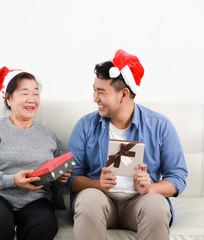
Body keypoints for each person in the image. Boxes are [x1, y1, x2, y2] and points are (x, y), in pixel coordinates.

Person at [66, 49, 188, 240]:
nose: (94, 98)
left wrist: (151, 188)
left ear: (123, 95)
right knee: (88, 200)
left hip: (140, 202)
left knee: (157, 205)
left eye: (101, 92)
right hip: (100, 201)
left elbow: (178, 177)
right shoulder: (85, 126)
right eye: (94, 90)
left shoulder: (160, 125)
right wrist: (97, 184)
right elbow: (73, 179)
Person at [0, 66, 71, 240]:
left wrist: (59, 179)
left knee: (45, 225)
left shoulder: (49, 136)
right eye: (24, 93)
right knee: (0, 224)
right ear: (8, 98)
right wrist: (12, 180)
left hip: (34, 200)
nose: (32, 99)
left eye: (36, 93)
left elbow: (53, 186)